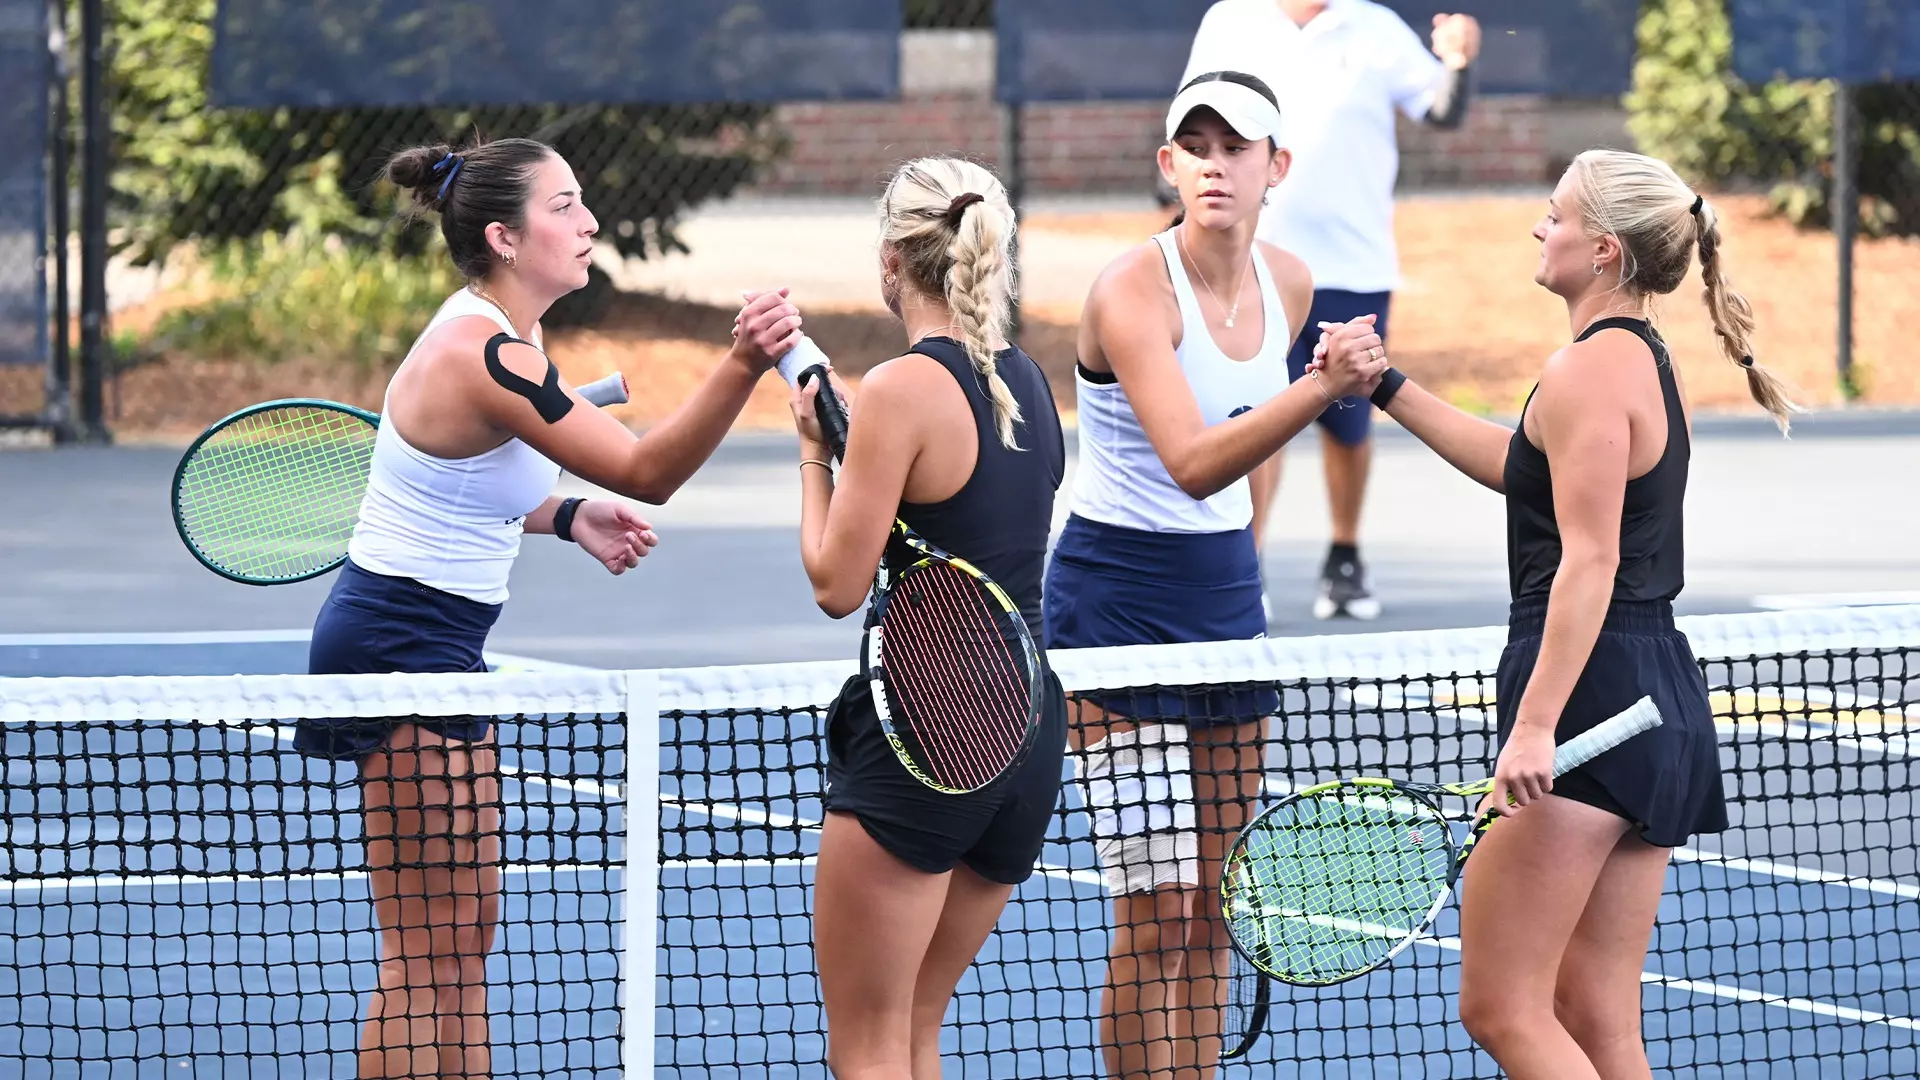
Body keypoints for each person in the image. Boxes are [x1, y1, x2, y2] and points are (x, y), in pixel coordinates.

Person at [290, 135, 801, 1078]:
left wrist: (567, 515)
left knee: (466, 938)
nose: (590, 221)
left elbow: (461, 484)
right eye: (564, 206)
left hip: (441, 643)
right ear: (506, 237)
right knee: (425, 951)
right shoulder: (484, 352)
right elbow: (647, 472)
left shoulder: (507, 338)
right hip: (398, 642)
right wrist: (743, 363)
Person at [1315, 148, 1794, 1078]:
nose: (1540, 227)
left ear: (1604, 248)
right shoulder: (1635, 360)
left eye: (1556, 214)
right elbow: (1525, 469)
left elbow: (1591, 560)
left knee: (1502, 1006)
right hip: (1652, 694)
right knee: (1594, 1014)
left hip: (1589, 699)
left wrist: (1536, 727)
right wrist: (1386, 386)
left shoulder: (1585, 371)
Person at [1045, 71, 1386, 1079]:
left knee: (1214, 910)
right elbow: (1193, 464)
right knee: (1156, 911)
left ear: (1277, 167)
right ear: (1168, 164)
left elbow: (1252, 457)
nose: (1214, 165)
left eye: (1236, 148)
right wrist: (1323, 390)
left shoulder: (1291, 283)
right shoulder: (1129, 291)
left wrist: (1252, 558)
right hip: (1114, 607)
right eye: (1194, 147)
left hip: (1227, 600)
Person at [782, 155, 1068, 1080]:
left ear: (891, 261)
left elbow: (836, 583)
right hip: (1025, 734)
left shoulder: (899, 390)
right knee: (913, 1028)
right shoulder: (1030, 382)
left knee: (868, 1047)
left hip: (928, 737)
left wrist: (813, 454)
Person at [1178, 0, 1483, 621]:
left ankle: (1344, 558)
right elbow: (1188, 128)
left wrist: (1457, 61)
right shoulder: (1229, 21)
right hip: (1251, 265)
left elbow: (1440, 108)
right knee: (1257, 418)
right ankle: (1247, 566)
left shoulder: (1374, 27)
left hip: (1354, 265)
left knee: (1350, 419)